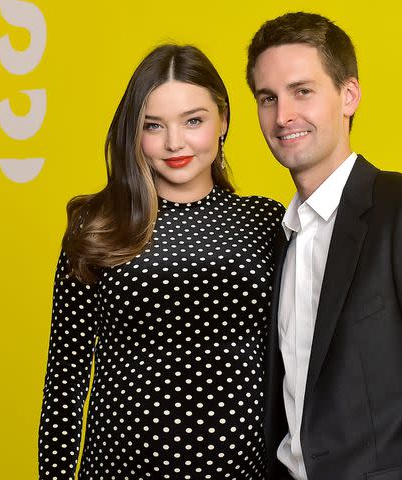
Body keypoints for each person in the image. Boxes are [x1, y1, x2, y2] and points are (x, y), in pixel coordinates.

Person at [245, 12, 402, 480]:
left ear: (348, 95)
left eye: (303, 91)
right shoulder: (281, 239)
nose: (283, 116)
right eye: (267, 98)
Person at [38, 44, 284, 480]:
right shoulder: (97, 226)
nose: (175, 143)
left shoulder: (266, 221)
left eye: (194, 120)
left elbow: (301, 361)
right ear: (135, 131)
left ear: (223, 119)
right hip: (119, 470)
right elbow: (66, 377)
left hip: (246, 470)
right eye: (154, 125)